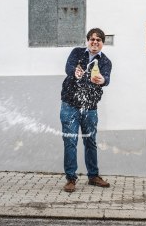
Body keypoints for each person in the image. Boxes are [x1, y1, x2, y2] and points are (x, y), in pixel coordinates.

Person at [60, 28, 112, 193]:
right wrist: (75, 73)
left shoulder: (105, 62)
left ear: (102, 43)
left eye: (98, 40)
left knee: (90, 142)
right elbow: (68, 68)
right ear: (88, 41)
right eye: (92, 39)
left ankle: (93, 176)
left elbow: (107, 78)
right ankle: (70, 178)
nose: (95, 42)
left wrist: (103, 80)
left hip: (90, 108)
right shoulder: (77, 53)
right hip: (70, 105)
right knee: (70, 142)